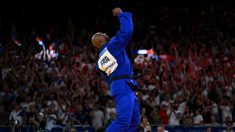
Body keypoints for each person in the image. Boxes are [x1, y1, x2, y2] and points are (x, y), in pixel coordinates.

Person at [91, 7, 141, 132]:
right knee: (124, 121)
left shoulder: (100, 61)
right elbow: (127, 31)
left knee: (134, 121)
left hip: (120, 85)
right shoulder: (112, 46)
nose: (106, 35)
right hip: (123, 86)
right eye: (103, 34)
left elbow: (109, 78)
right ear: (100, 40)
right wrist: (121, 14)